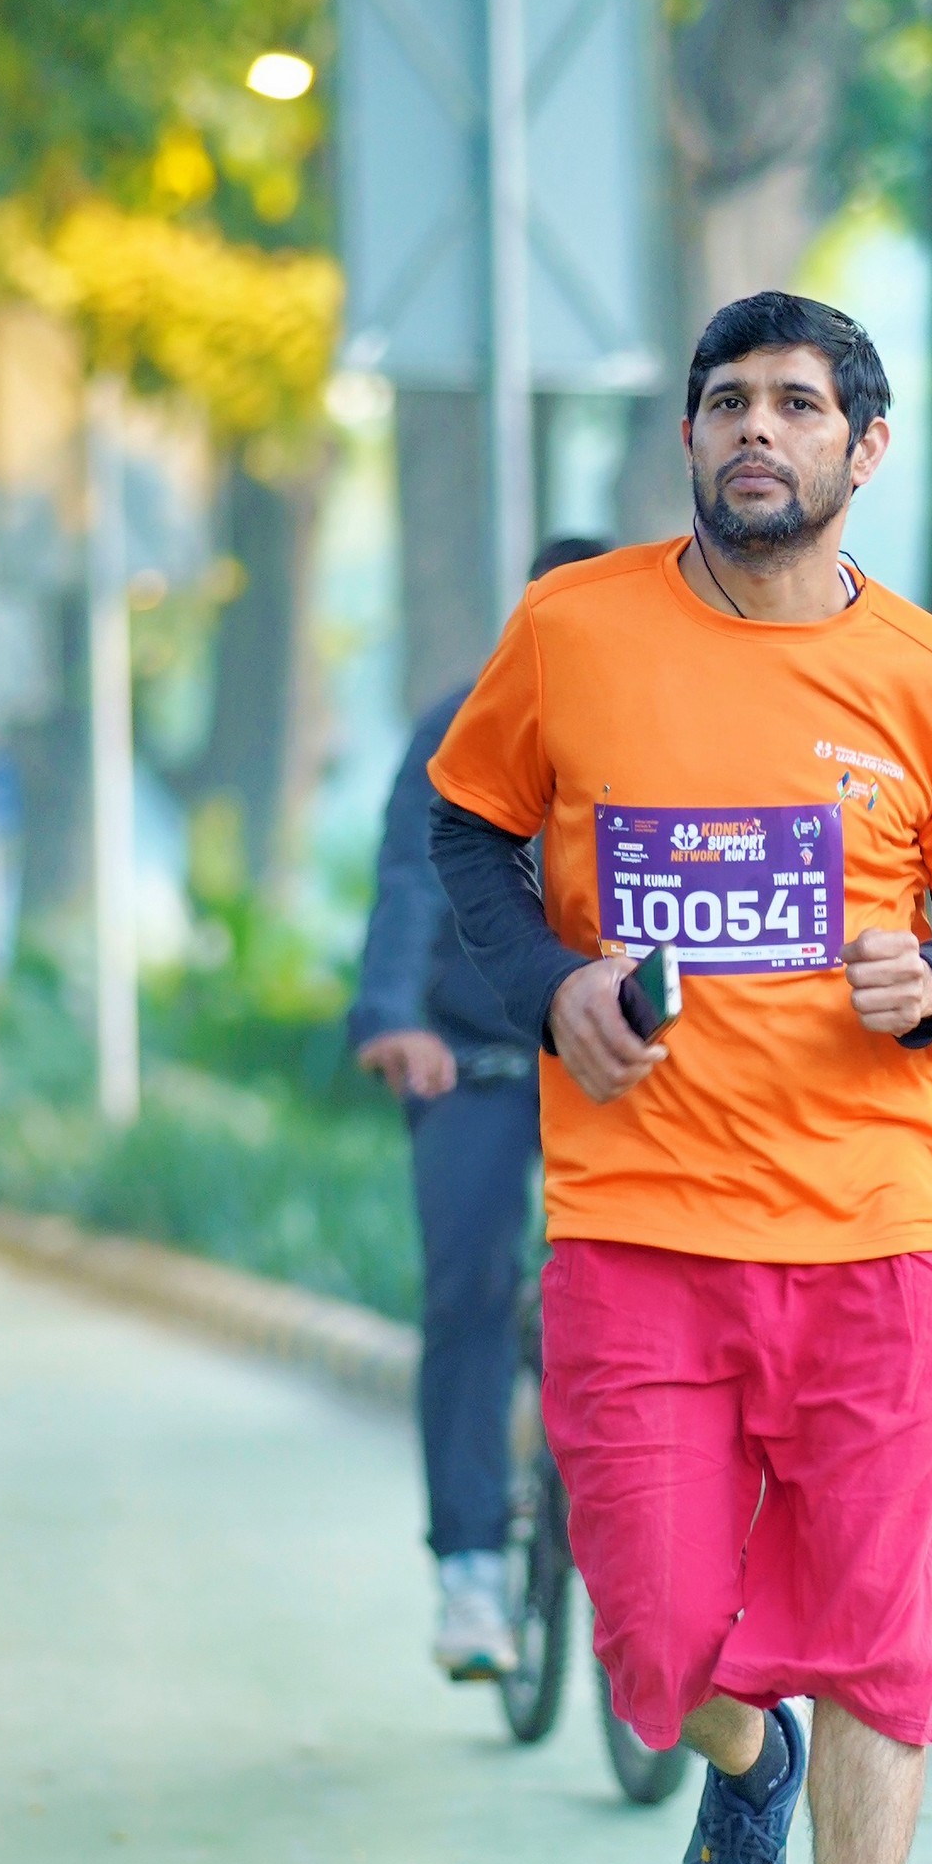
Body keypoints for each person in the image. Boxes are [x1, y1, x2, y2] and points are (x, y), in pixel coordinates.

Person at [428, 291, 932, 1864]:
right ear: (688, 437)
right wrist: (551, 990)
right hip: (638, 1220)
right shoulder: (573, 628)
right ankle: (745, 1759)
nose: (755, 428)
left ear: (865, 448)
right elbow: (468, 835)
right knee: (651, 1635)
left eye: (795, 403)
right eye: (724, 401)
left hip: (877, 1229)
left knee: (873, 1634)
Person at [347, 535, 609, 1679]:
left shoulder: (667, 726)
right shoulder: (462, 725)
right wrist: (393, 1016)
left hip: (617, 1057)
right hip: (470, 1053)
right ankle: (467, 1565)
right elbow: (412, 875)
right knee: (469, 1287)